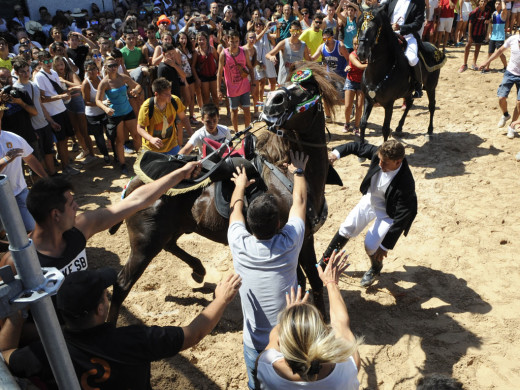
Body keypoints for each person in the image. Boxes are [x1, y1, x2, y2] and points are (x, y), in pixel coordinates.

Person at [1, 267, 242, 389]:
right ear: (100, 309)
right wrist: (221, 299)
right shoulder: (133, 339)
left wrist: (17, 312)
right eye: (105, 296)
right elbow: (193, 334)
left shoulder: (46, 352)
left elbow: (7, 354)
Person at [0, 160, 202, 276]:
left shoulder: (81, 227)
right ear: (55, 215)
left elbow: (135, 201)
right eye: (71, 204)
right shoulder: (16, 262)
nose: (77, 207)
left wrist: (180, 174)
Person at [228, 150, 308, 390]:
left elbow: (234, 210)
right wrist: (299, 171)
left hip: (253, 344)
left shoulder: (238, 243)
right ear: (278, 224)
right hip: (289, 342)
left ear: (249, 226)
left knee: (255, 386)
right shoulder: (290, 242)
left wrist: (240, 186)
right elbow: (300, 201)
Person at [255, 250, 362, 389]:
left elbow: (274, 337)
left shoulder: (266, 367)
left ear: (283, 344)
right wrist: (331, 283)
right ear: (324, 337)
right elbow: (341, 324)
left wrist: (291, 314)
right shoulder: (348, 366)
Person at [322, 140, 417, 287]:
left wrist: (385, 246)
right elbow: (356, 146)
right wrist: (335, 154)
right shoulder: (380, 155)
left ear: (398, 162)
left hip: (388, 212)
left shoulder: (406, 183)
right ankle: (323, 262)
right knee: (347, 227)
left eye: (385, 163)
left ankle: (376, 267)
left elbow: (401, 218)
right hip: (371, 198)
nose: (380, 164)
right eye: (379, 160)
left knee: (371, 246)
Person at [0, 108, 48, 232]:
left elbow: (29, 158)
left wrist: (47, 179)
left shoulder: (13, 138)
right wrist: (6, 160)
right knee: (7, 233)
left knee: (32, 228)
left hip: (20, 192)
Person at [96, 56, 142, 174]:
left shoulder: (123, 78)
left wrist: (136, 90)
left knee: (137, 136)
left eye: (115, 65)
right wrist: (106, 108)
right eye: (110, 66)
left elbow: (137, 85)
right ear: (105, 68)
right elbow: (98, 100)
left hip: (127, 111)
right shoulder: (104, 82)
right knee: (120, 140)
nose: (113, 68)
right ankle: (122, 164)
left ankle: (142, 160)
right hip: (115, 115)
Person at [34, 51, 78, 176]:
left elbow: (56, 92)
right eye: (45, 61)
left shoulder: (53, 72)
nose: (48, 63)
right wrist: (60, 96)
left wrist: (66, 93)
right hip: (53, 114)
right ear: (40, 62)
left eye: (49, 60)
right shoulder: (39, 77)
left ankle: (66, 165)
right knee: (60, 141)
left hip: (62, 110)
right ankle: (65, 167)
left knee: (65, 140)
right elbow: (42, 99)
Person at [480, 33, 520, 138]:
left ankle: (512, 126)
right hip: (510, 73)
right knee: (501, 97)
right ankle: (506, 115)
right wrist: (486, 62)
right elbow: (499, 51)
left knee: (519, 102)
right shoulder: (513, 39)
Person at [137, 77, 190, 155]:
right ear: (156, 94)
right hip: (152, 149)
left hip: (172, 146)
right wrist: (151, 139)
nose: (170, 95)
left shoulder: (175, 101)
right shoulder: (147, 107)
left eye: (170, 92)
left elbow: (184, 119)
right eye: (166, 94)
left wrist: (193, 136)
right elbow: (140, 128)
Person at [216, 30, 254, 133]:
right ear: (228, 41)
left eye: (236, 41)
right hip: (232, 89)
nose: (234, 44)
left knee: (247, 110)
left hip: (244, 86)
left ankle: (247, 132)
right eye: (232, 41)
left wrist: (253, 83)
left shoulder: (244, 51)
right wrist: (218, 90)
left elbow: (250, 67)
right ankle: (237, 132)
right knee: (234, 111)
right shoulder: (223, 54)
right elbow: (219, 73)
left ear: (239, 41)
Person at [386, 0, 426, 98]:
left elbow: (418, 23)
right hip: (389, 34)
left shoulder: (418, 2)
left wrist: (401, 27)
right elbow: (382, 11)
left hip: (408, 35)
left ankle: (417, 85)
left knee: (412, 59)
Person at [81, 60, 111, 164]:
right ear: (86, 71)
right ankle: (106, 155)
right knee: (99, 138)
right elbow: (86, 102)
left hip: (104, 111)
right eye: (90, 69)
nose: (93, 71)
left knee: (110, 133)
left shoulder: (100, 79)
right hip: (92, 115)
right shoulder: (85, 84)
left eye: (94, 69)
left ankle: (115, 154)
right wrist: (101, 103)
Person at [266, 21, 311, 86]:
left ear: (301, 31)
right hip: (284, 80)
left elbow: (308, 62)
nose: (295, 33)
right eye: (293, 30)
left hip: (297, 79)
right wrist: (271, 57)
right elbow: (268, 54)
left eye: (297, 31)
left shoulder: (304, 45)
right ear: (290, 31)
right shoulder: (283, 43)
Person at [343, 36, 368, 134]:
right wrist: (371, 64)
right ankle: (347, 123)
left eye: (358, 43)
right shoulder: (352, 55)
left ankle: (356, 127)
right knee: (348, 105)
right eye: (354, 44)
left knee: (359, 106)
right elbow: (360, 66)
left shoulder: (366, 54)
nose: (357, 46)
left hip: (362, 82)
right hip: (351, 81)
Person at [458, 0, 490, 73]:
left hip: (480, 31)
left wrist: (485, 33)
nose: (483, 3)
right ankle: (464, 64)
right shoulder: (474, 12)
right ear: (479, 2)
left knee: (478, 47)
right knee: (467, 46)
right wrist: (469, 36)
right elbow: (470, 24)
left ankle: (474, 63)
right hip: (472, 31)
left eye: (484, 1)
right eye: (481, 1)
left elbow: (487, 21)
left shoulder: (487, 10)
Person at [481, 0, 508, 74]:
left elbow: (504, 9)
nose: (497, 5)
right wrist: (489, 22)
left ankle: (506, 67)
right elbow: (493, 22)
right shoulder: (493, 13)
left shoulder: (503, 13)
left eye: (499, 4)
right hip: (493, 36)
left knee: (500, 53)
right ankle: (487, 68)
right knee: (490, 53)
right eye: (496, 4)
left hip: (500, 37)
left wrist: (502, 1)